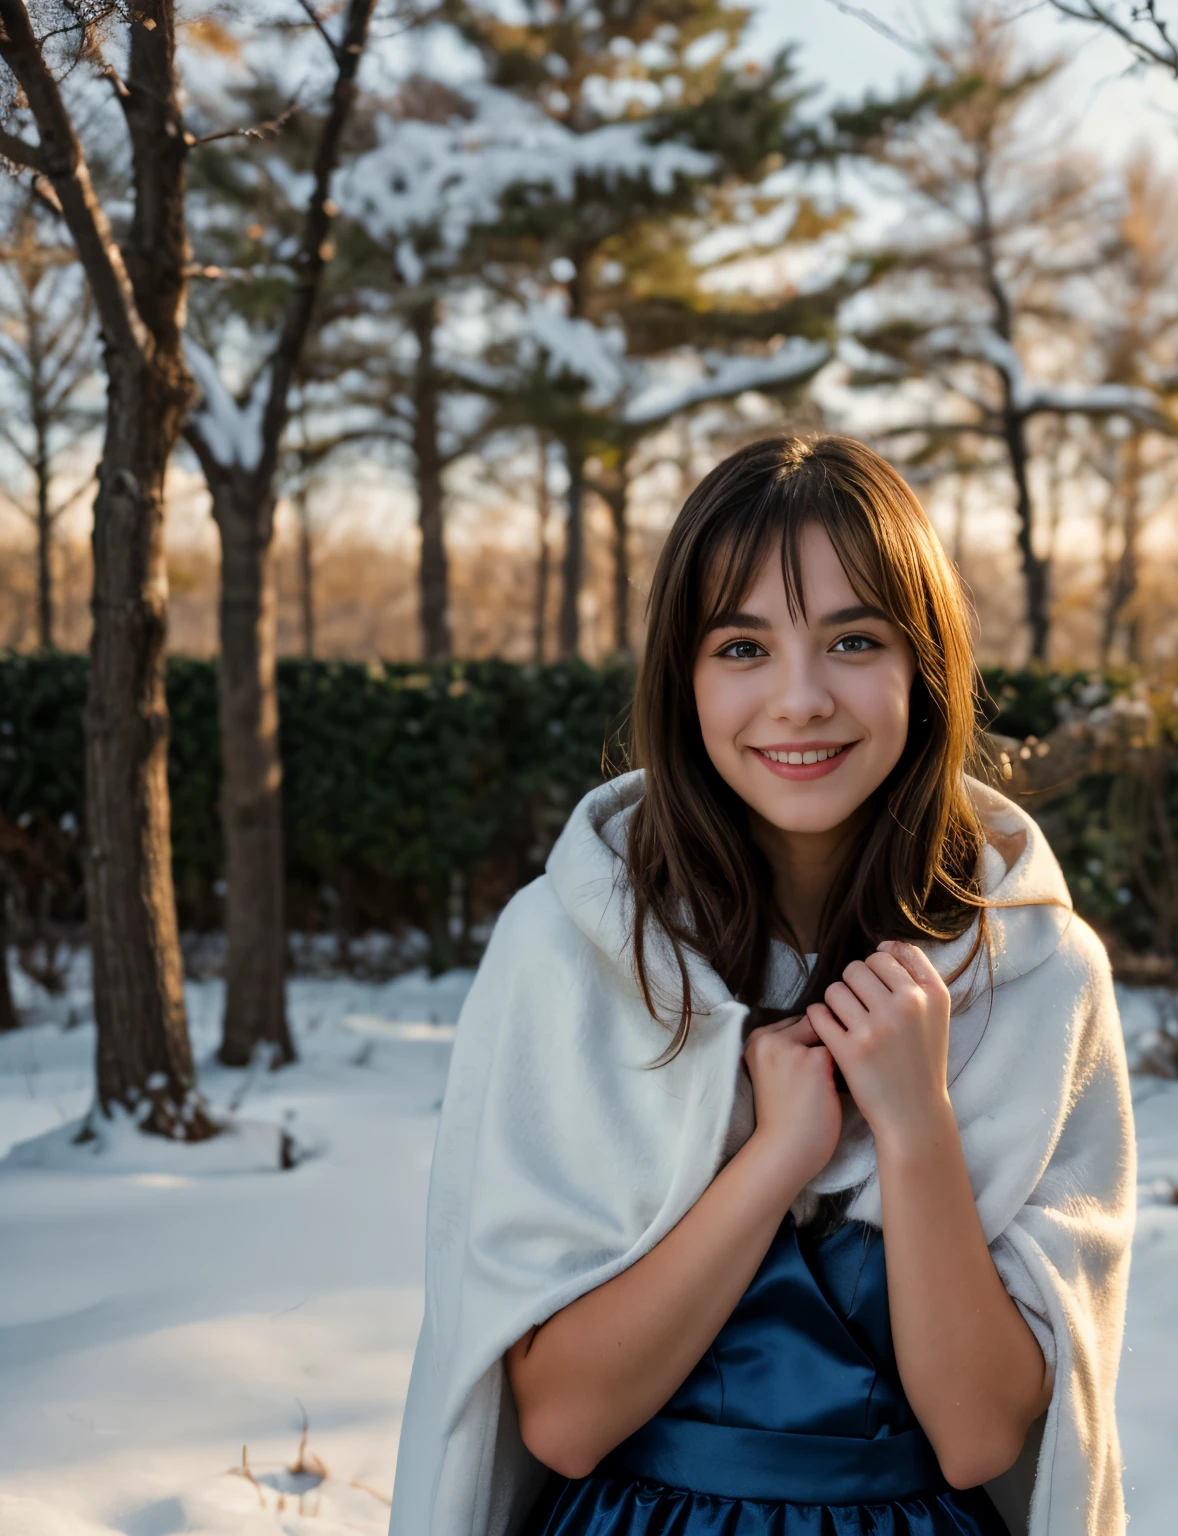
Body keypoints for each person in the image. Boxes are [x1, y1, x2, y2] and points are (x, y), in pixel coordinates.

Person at [388, 434, 1136, 1536]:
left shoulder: (1035, 973)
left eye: (853, 640)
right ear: (682, 676)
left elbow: (982, 1435)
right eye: (742, 646)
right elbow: (561, 1420)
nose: (799, 700)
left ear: (924, 668)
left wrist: (916, 1124)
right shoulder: (568, 951)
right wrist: (776, 1152)